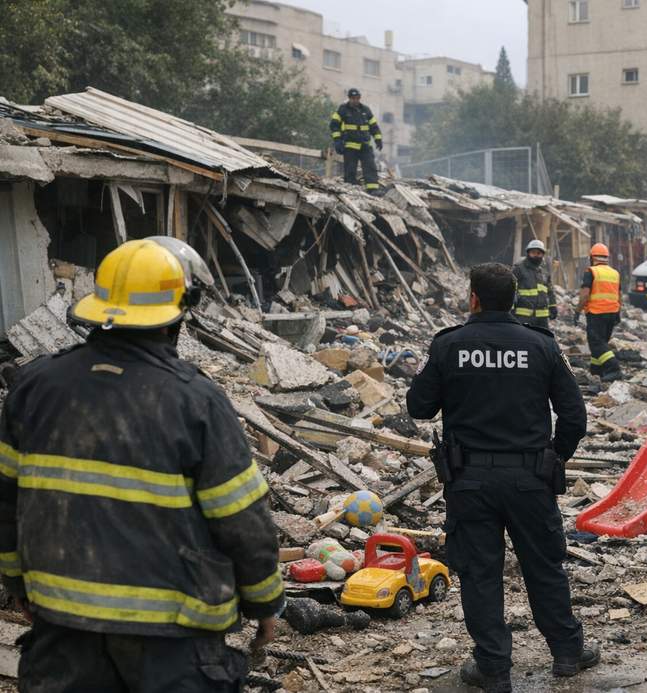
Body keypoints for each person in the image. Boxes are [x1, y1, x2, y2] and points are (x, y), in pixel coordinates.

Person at [0, 239, 284, 691]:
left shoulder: (33, 388)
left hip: (63, 629)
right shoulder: (195, 401)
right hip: (174, 643)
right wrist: (264, 602)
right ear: (179, 313)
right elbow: (241, 519)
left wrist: (17, 583)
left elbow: (6, 502)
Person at [407, 263, 597, 693]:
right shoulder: (541, 345)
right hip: (530, 477)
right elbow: (574, 416)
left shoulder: (448, 345)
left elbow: (419, 407)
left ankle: (493, 668)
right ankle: (567, 653)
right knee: (545, 566)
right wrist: (555, 457)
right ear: (514, 299)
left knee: (479, 574)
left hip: (469, 481)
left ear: (473, 298)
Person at [575, 243, 622, 382]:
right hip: (612, 312)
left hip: (597, 312)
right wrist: (618, 312)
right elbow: (619, 296)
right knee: (602, 343)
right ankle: (596, 370)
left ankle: (614, 368)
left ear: (592, 258)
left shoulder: (591, 271)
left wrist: (577, 311)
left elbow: (585, 295)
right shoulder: (615, 273)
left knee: (596, 343)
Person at [330, 88, 383, 193]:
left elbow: (374, 126)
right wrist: (337, 140)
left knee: (370, 167)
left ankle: (373, 189)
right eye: (353, 98)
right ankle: (350, 190)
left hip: (365, 146)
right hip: (350, 146)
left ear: (359, 98)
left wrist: (378, 139)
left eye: (357, 98)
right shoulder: (342, 110)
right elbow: (334, 125)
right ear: (349, 98)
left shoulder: (366, 110)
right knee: (350, 170)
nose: (355, 100)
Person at [512, 239, 557, 329]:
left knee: (543, 337)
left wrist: (553, 307)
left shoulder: (544, 272)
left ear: (542, 255)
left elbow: (550, 291)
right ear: (528, 253)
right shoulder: (519, 269)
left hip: (542, 318)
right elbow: (511, 289)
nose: (536, 255)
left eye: (538, 253)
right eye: (533, 253)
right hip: (523, 315)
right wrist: (511, 309)